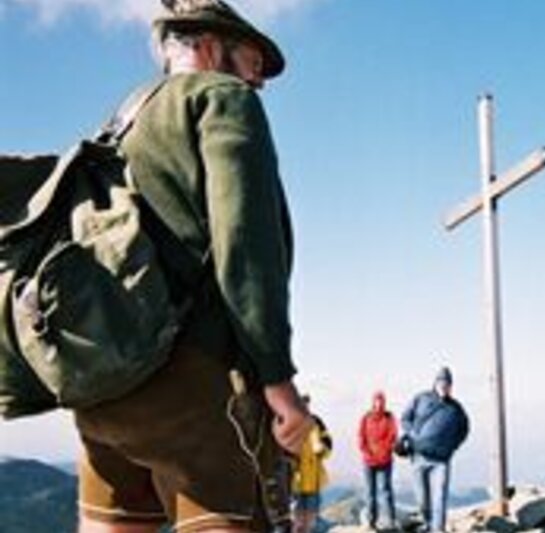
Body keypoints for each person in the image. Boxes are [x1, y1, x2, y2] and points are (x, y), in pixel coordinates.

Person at [72, 1, 314, 532]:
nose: (258, 83)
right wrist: (279, 382)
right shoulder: (222, 99)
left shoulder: (119, 122)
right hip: (194, 385)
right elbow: (247, 249)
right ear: (207, 47)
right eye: (252, 64)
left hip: (102, 386)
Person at [401, 367, 470, 533]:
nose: (444, 386)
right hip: (418, 457)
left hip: (441, 461)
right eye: (441, 382)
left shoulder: (456, 408)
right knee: (422, 500)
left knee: (439, 498)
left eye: (447, 383)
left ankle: (437, 529)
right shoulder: (421, 398)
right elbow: (405, 418)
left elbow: (464, 429)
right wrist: (413, 435)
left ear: (451, 386)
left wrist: (452, 446)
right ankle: (426, 525)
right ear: (435, 383)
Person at [358, 391, 398, 530]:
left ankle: (391, 520)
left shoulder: (389, 418)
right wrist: (369, 453)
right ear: (373, 402)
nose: (379, 404)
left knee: (385, 491)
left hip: (385, 461)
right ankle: (371, 522)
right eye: (377, 401)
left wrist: (383, 452)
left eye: (381, 401)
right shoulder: (366, 418)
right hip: (369, 461)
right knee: (370, 492)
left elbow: (392, 437)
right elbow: (361, 438)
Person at [291, 401, 333, 533]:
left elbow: (328, 441)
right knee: (296, 516)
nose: (305, 407)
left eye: (306, 404)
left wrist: (323, 449)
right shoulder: (291, 422)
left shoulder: (316, 422)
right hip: (296, 478)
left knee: (312, 516)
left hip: (314, 477)